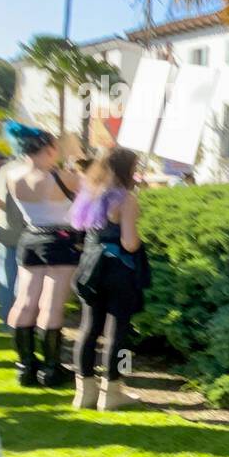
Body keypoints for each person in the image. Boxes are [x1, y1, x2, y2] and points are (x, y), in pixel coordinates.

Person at [5, 123, 83, 388]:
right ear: (49, 148)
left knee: (24, 301)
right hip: (59, 240)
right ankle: (50, 369)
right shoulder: (62, 177)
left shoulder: (13, 175)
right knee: (51, 304)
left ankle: (25, 367)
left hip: (30, 237)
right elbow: (93, 190)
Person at [70, 146, 147, 410]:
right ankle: (111, 392)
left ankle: (84, 392)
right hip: (118, 270)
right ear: (127, 170)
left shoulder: (89, 194)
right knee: (117, 330)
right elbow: (129, 243)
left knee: (88, 327)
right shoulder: (126, 199)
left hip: (90, 268)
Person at [0, 153, 28, 329]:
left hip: (4, 227)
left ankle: (6, 319)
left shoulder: (5, 169)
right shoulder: (27, 170)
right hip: (23, 229)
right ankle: (17, 320)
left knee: (6, 275)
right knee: (21, 278)